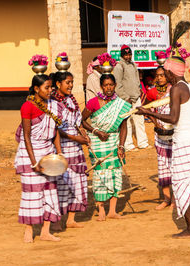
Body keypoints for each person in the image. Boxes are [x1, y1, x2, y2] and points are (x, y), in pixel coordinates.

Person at [136, 47, 190, 238]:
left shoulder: (176, 89)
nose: (163, 74)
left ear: (171, 72)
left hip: (185, 141)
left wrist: (147, 112)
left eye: (165, 71)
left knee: (182, 184)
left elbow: (173, 118)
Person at [14, 74, 64, 243]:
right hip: (31, 152)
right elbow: (26, 137)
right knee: (32, 193)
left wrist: (59, 153)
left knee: (50, 191)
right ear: (36, 89)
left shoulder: (54, 106)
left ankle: (45, 231)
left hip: (48, 152)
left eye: (51, 88)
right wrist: (34, 162)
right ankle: (29, 230)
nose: (50, 91)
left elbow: (55, 132)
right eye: (47, 88)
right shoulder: (27, 107)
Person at [81, 74, 131, 220]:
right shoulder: (93, 103)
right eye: (106, 85)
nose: (108, 88)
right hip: (97, 143)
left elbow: (123, 127)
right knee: (100, 174)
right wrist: (96, 131)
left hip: (114, 141)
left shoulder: (121, 105)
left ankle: (112, 211)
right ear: (101, 86)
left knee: (115, 173)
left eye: (111, 85)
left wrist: (121, 145)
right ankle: (101, 210)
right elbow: (82, 120)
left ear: (115, 85)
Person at [51, 71, 89, 228]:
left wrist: (84, 136)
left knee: (77, 182)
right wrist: (75, 138)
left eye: (72, 82)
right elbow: (54, 129)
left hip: (76, 148)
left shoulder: (71, 100)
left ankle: (71, 219)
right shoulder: (53, 103)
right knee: (62, 183)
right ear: (58, 84)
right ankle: (56, 221)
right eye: (68, 82)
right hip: (62, 146)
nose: (71, 85)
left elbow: (78, 122)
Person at [113, 45, 149, 151]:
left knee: (140, 120)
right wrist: (125, 97)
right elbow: (117, 84)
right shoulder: (119, 67)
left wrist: (138, 90)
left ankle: (143, 142)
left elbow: (137, 80)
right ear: (122, 55)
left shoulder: (133, 65)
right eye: (126, 55)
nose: (128, 56)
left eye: (129, 54)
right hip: (125, 99)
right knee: (127, 122)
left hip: (136, 97)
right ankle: (128, 145)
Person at [150, 66, 175, 210]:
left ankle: (175, 200)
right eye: (157, 75)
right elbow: (148, 109)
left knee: (174, 167)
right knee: (163, 167)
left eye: (162, 75)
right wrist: (155, 122)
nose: (159, 78)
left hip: (173, 133)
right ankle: (166, 199)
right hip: (160, 135)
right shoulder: (152, 92)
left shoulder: (173, 90)